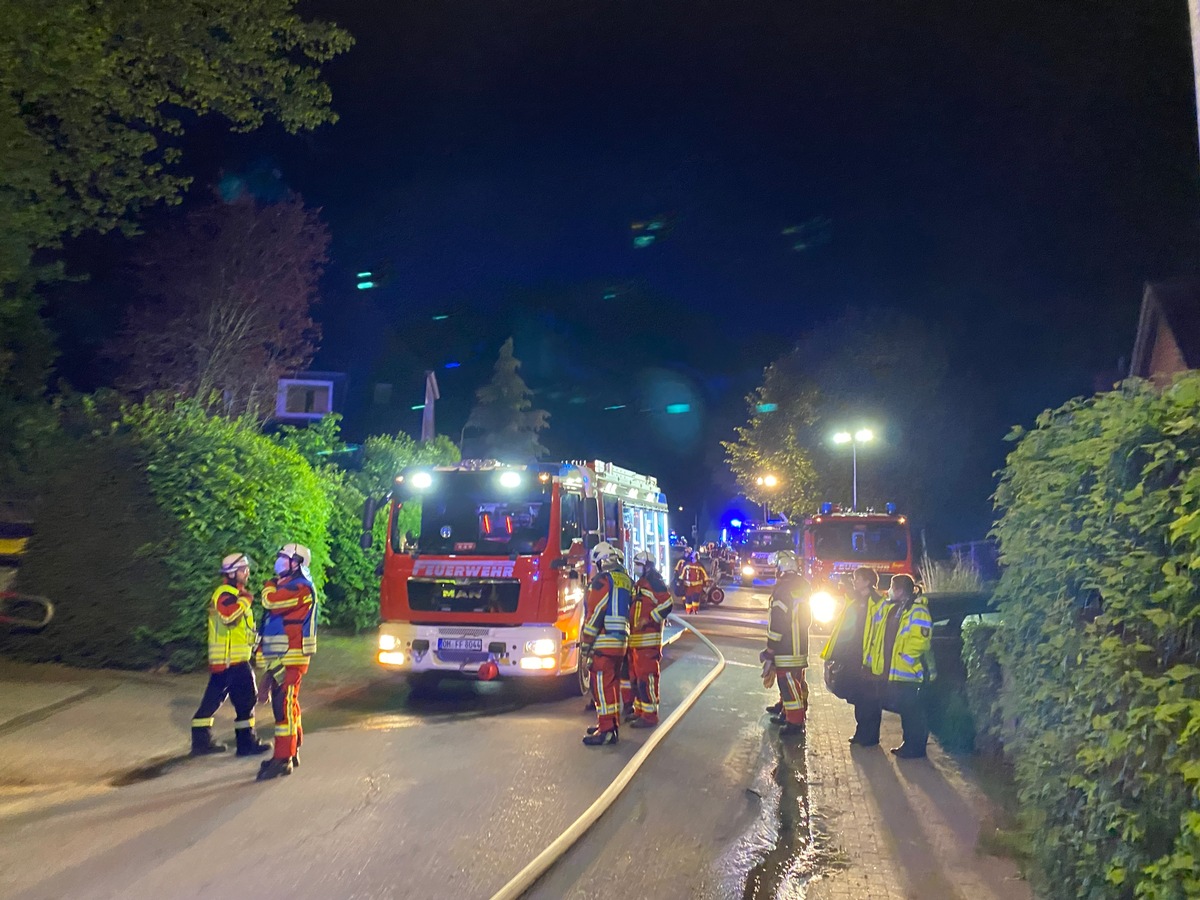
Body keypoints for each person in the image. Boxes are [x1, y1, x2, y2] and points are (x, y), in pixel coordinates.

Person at [190, 553, 271, 757]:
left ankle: (201, 742)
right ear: (233, 573)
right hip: (232, 661)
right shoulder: (226, 594)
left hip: (227, 661)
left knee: (212, 702)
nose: (247, 573)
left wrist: (256, 645)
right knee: (246, 701)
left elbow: (242, 630)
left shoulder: (232, 593)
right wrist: (245, 601)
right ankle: (246, 744)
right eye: (244, 570)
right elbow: (228, 616)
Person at [257, 543, 318, 780]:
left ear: (297, 563)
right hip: (280, 656)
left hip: (292, 656)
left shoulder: (301, 587)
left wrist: (268, 586)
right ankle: (292, 750)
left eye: (284, 557)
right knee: (285, 705)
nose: (279, 560)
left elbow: (272, 601)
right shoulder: (288, 584)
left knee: (284, 707)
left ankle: (283, 759)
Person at [861, 573, 935, 759]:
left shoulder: (918, 611)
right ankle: (909, 744)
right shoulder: (893, 608)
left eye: (892, 587)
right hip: (899, 672)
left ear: (900, 590)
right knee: (906, 710)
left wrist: (906, 658)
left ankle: (915, 748)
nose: (889, 591)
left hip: (911, 672)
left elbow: (920, 640)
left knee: (913, 712)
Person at [820, 567, 887, 746]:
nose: (854, 582)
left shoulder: (878, 602)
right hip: (852, 656)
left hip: (868, 659)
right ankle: (862, 733)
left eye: (857, 579)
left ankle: (869, 737)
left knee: (869, 699)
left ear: (867, 582)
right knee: (858, 696)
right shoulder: (855, 600)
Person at [581, 541, 632, 746]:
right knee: (611, 687)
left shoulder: (603, 581)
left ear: (602, 562)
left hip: (604, 641)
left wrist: (585, 645)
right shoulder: (625, 579)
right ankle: (610, 725)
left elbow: (595, 614)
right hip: (621, 641)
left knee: (601, 688)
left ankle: (607, 731)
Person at [761, 550, 811, 736]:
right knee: (796, 680)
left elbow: (778, 624)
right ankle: (786, 710)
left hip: (786, 646)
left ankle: (794, 723)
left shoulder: (782, 591)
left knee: (788, 683)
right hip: (800, 643)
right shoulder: (802, 586)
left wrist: (770, 650)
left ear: (781, 569)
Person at [626, 550, 674, 728]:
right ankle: (640, 711)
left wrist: (650, 618)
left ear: (647, 566)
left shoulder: (655, 582)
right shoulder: (641, 583)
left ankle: (650, 715)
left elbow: (668, 604)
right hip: (637, 642)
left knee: (647, 679)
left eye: (639, 564)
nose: (636, 567)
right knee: (638, 679)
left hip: (648, 642)